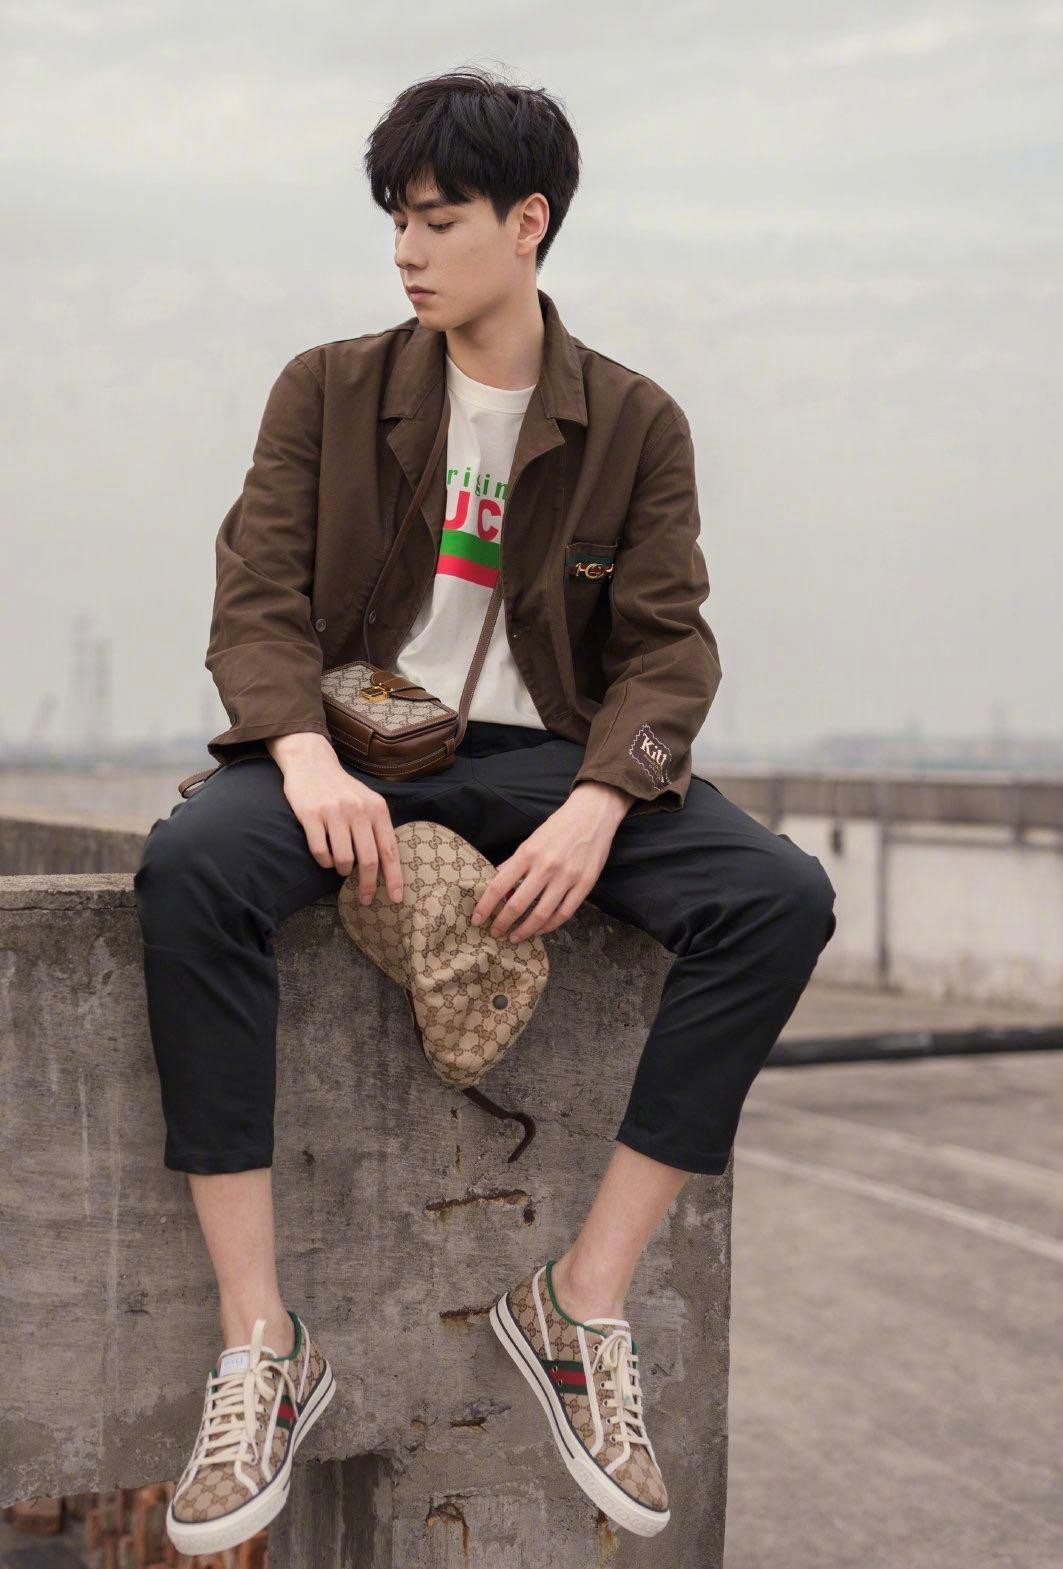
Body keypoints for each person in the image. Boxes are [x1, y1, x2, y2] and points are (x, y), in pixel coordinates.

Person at [134, 66, 837, 1550]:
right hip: (353, 746)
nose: (406, 249)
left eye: (438, 219)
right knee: (194, 866)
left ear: (529, 224)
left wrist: (604, 798)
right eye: (396, 218)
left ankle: (580, 1302)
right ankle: (261, 1344)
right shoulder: (329, 389)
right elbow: (255, 598)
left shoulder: (633, 422)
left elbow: (669, 648)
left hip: (551, 759)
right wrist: (299, 754)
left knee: (778, 898)